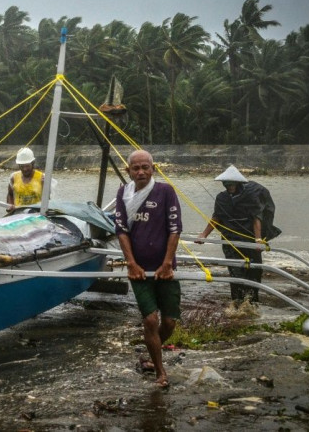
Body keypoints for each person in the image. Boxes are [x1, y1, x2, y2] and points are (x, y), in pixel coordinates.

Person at [114, 149, 182, 388]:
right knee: (151, 320)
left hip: (165, 268)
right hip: (139, 270)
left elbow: (175, 229)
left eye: (145, 167)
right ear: (128, 171)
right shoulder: (124, 193)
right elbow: (121, 230)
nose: (141, 172)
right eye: (136, 168)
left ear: (153, 169)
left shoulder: (165, 192)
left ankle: (153, 351)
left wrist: (166, 263)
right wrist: (131, 263)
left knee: (170, 322)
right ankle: (160, 372)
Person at [197, 165, 281, 305]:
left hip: (248, 238)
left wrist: (258, 239)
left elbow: (256, 218)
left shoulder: (250, 196)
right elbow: (216, 218)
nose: (229, 186)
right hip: (230, 240)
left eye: (231, 183)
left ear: (238, 183)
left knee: (253, 271)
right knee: (235, 272)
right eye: (226, 183)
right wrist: (203, 235)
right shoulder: (222, 198)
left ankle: (252, 302)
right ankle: (237, 302)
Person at [6, 147, 44, 212]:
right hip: (19, 215)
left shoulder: (42, 178)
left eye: (27, 166)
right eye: (22, 166)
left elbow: (50, 200)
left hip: (37, 215)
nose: (25, 169)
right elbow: (10, 194)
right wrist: (10, 206)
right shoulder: (13, 178)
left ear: (33, 163)